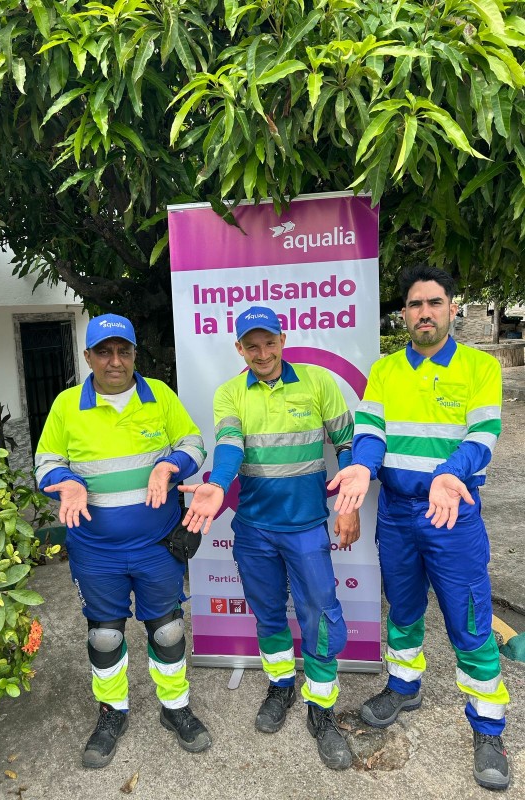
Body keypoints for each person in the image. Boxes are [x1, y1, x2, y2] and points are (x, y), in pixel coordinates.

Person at [329, 265, 511, 791]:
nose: (424, 312)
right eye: (414, 304)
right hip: (396, 513)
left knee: (469, 619)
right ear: (404, 314)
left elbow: (483, 435)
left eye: (434, 302)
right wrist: (362, 466)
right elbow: (371, 431)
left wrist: (449, 474)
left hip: (451, 512)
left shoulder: (479, 366)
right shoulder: (385, 370)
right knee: (404, 609)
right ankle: (404, 686)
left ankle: (488, 728)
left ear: (452, 307)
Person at [180, 306, 359, 770]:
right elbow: (229, 445)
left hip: (306, 527)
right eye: (251, 345)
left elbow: (347, 444)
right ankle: (280, 686)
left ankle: (322, 706)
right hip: (254, 529)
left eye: (269, 343)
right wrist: (217, 483)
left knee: (321, 615)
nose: (262, 353)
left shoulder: (318, 382)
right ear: (239, 349)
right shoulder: (229, 393)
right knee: (268, 614)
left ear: (283, 339)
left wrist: (350, 505)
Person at [35, 313, 211, 769]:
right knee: (105, 634)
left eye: (123, 351)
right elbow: (45, 463)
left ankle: (175, 707)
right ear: (88, 356)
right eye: (104, 352)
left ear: (134, 353)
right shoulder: (66, 405)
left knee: (168, 629)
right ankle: (112, 711)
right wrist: (65, 482)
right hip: (95, 551)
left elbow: (194, 444)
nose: (115, 361)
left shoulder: (160, 396)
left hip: (157, 546)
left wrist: (170, 465)